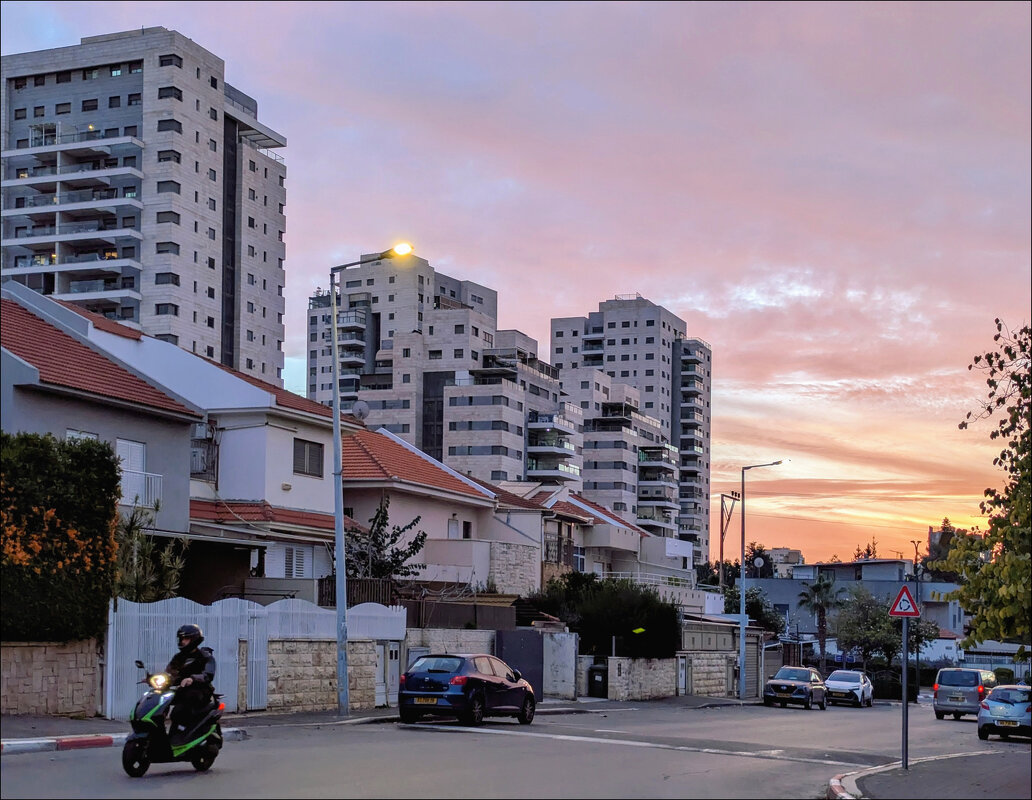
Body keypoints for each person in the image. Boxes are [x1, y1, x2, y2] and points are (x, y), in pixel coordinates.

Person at [165, 623, 216, 732]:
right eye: (181, 638)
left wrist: (192, 679)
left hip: (200, 690)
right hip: (180, 689)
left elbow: (208, 675)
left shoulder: (205, 656)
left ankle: (183, 731)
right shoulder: (178, 657)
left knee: (178, 711)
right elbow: (170, 671)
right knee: (158, 702)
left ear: (194, 639)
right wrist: (152, 678)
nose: (182, 641)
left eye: (186, 638)